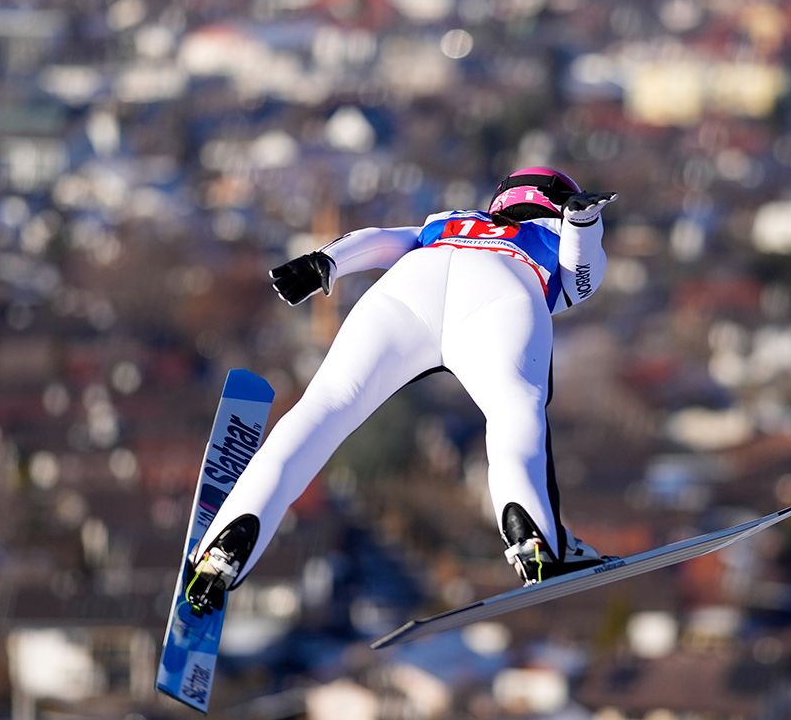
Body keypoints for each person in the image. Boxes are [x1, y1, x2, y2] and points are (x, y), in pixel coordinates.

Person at [185, 167, 619, 609]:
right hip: (503, 291)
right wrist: (584, 224)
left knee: (325, 407)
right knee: (514, 413)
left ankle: (227, 542)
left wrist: (326, 262)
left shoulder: (454, 218)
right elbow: (582, 274)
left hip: (410, 284)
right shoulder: (548, 236)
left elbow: (382, 239)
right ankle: (536, 544)